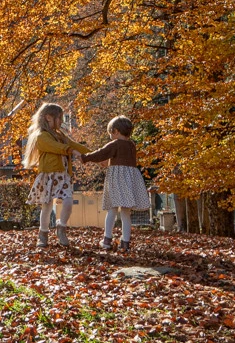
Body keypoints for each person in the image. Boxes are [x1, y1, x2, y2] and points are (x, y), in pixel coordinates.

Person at [23, 101, 88, 248]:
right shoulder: (41, 136)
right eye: (59, 117)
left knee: (68, 202)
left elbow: (74, 145)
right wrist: (71, 151)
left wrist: (94, 155)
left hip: (63, 176)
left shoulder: (60, 135)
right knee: (46, 206)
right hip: (49, 175)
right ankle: (43, 234)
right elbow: (57, 148)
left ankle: (61, 227)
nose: (61, 121)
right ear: (48, 117)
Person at [81, 115, 150, 252]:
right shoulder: (131, 145)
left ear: (116, 131)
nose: (110, 136)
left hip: (116, 179)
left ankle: (107, 240)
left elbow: (101, 153)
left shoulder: (115, 144)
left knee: (112, 209)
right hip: (129, 181)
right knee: (125, 212)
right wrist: (108, 163)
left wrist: (85, 157)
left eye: (110, 133)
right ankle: (125, 242)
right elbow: (122, 161)